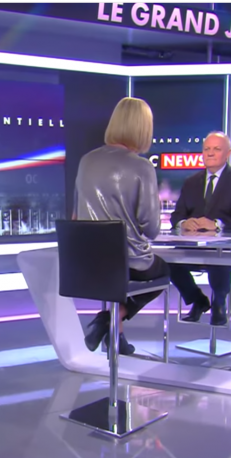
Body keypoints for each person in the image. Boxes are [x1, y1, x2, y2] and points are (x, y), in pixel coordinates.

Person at [73, 97, 167, 356]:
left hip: (87, 264)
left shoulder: (86, 160)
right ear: (143, 128)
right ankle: (111, 317)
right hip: (128, 264)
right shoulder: (142, 166)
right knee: (164, 272)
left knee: (115, 280)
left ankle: (118, 338)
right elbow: (152, 229)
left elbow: (75, 216)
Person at [169, 131, 231, 326]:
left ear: (228, 153)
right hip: (192, 248)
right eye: (206, 149)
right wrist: (184, 223)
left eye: (216, 149)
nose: (210, 153)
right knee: (168, 262)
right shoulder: (191, 182)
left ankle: (219, 303)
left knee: (219, 260)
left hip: (226, 248)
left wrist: (217, 224)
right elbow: (177, 216)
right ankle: (198, 300)